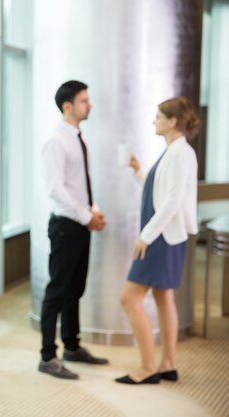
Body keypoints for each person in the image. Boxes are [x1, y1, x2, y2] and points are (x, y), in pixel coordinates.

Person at [116, 96, 199, 385]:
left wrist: (145, 235)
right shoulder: (175, 152)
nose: (154, 121)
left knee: (128, 299)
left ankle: (149, 367)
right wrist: (139, 171)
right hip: (167, 235)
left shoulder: (179, 153)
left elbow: (172, 201)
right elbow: (160, 193)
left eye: (158, 117)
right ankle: (167, 364)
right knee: (164, 298)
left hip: (162, 237)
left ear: (172, 121)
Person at [39, 80, 109, 380]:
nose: (89, 104)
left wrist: (93, 211)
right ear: (67, 106)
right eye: (84, 101)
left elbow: (81, 183)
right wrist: (86, 216)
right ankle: (47, 357)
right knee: (57, 291)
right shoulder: (57, 140)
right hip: (66, 226)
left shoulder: (80, 138)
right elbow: (56, 190)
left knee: (74, 289)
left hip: (80, 223)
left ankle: (71, 346)